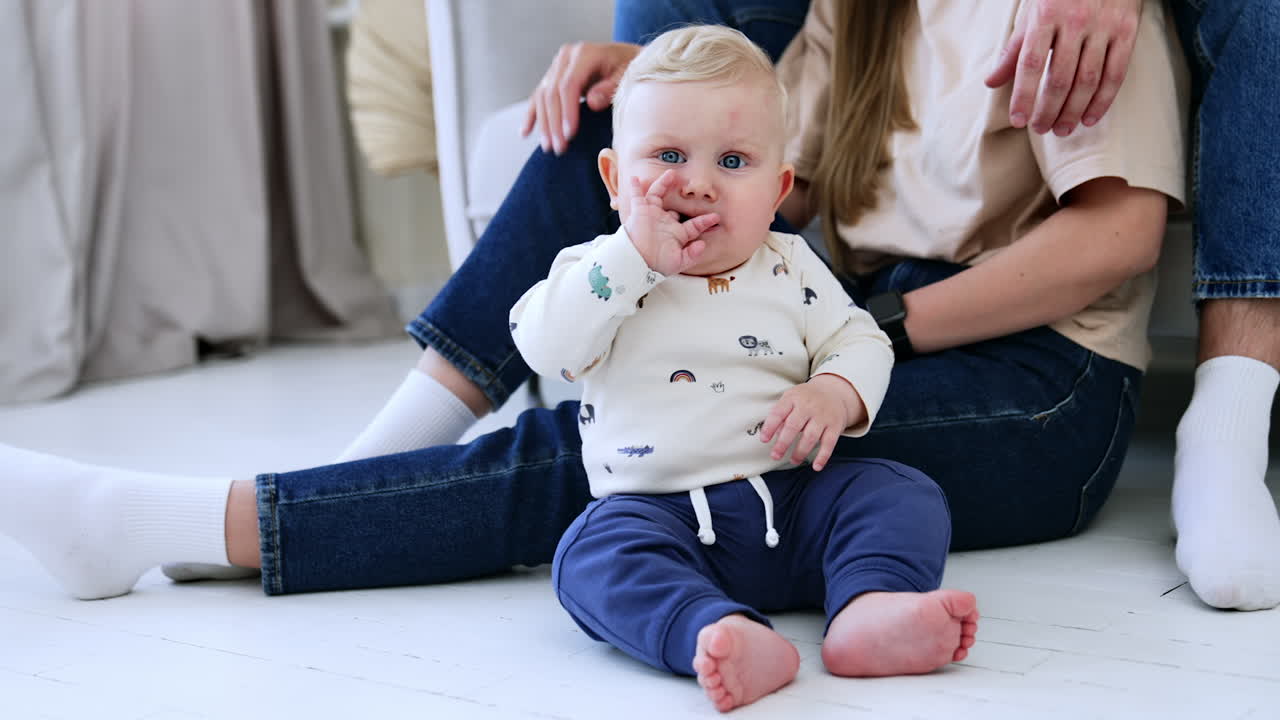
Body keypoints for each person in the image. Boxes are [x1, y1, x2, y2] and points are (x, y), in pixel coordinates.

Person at [0, 0, 1184, 618]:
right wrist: (671, 135)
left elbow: (1116, 235)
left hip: (1034, 383)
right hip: (859, 323)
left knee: (624, 457)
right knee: (616, 136)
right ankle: (378, 456)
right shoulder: (858, 10)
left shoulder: (1077, 7)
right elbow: (788, 179)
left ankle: (200, 526)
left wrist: (871, 342)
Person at [510, 25, 977, 711]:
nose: (697, 184)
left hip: (794, 503)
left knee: (899, 492)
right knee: (587, 557)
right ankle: (714, 628)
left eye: (733, 163)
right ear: (614, 179)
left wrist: (833, 392)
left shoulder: (790, 267)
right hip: (654, 515)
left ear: (777, 188)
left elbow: (863, 341)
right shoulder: (598, 271)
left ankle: (869, 609)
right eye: (668, 155)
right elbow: (545, 346)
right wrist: (632, 256)